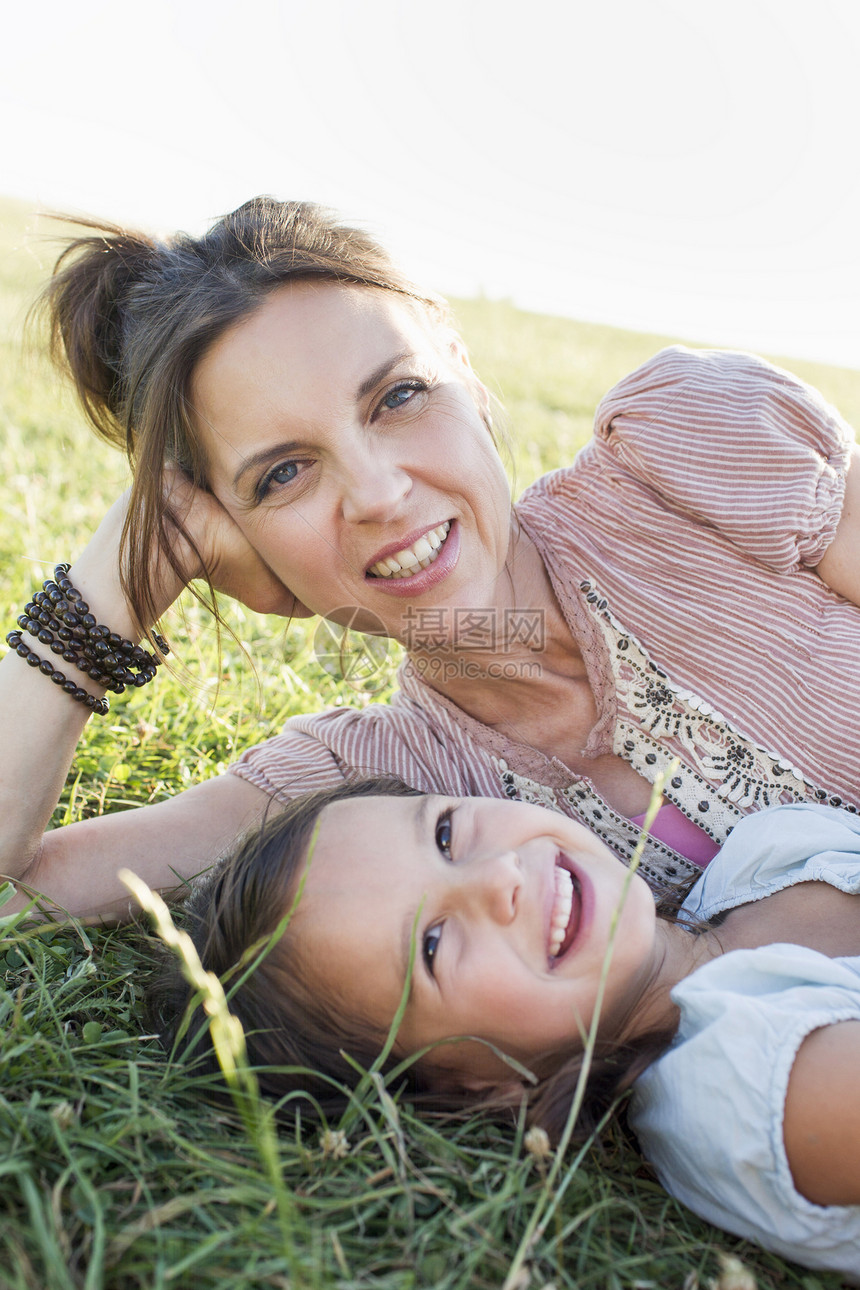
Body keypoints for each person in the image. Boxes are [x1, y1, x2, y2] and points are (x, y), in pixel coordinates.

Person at [2, 196, 860, 922]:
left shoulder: (685, 449)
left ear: (464, 371)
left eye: (399, 396)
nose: (376, 493)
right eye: (284, 474)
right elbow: (18, 892)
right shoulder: (368, 792)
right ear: (236, 545)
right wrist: (106, 592)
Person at [149, 780, 860, 1281]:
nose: (498, 878)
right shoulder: (747, 1087)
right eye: (431, 945)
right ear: (479, 1085)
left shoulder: (771, 850)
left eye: (447, 833)